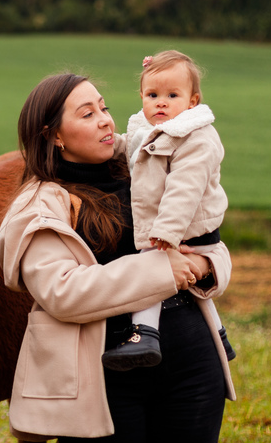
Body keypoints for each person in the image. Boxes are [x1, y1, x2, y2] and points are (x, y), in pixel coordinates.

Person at [0, 72, 236, 443]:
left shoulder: (147, 166)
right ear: (54, 136)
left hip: (190, 364)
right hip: (105, 379)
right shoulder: (40, 205)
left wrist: (205, 267)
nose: (107, 121)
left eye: (104, 107)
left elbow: (209, 241)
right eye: (88, 114)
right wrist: (164, 271)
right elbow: (64, 292)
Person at [101, 50, 236, 371]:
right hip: (175, 228)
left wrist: (166, 232)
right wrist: (105, 146)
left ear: (193, 101)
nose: (160, 103)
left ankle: (144, 332)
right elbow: (130, 148)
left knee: (151, 267)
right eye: (153, 95)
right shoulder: (149, 130)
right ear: (142, 97)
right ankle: (220, 334)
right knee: (180, 276)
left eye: (172, 95)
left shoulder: (195, 137)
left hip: (187, 228)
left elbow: (184, 189)